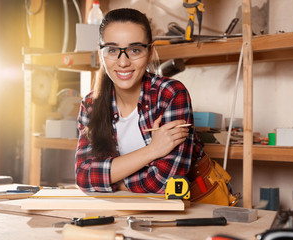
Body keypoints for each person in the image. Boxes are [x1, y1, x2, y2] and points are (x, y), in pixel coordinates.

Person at [75, 8, 237, 206]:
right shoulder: (91, 104)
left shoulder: (170, 94)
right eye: (112, 50)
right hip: (128, 208)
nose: (123, 62)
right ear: (101, 53)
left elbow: (166, 181)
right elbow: (83, 176)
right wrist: (153, 150)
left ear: (150, 51)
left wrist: (111, 179)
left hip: (192, 209)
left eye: (135, 50)